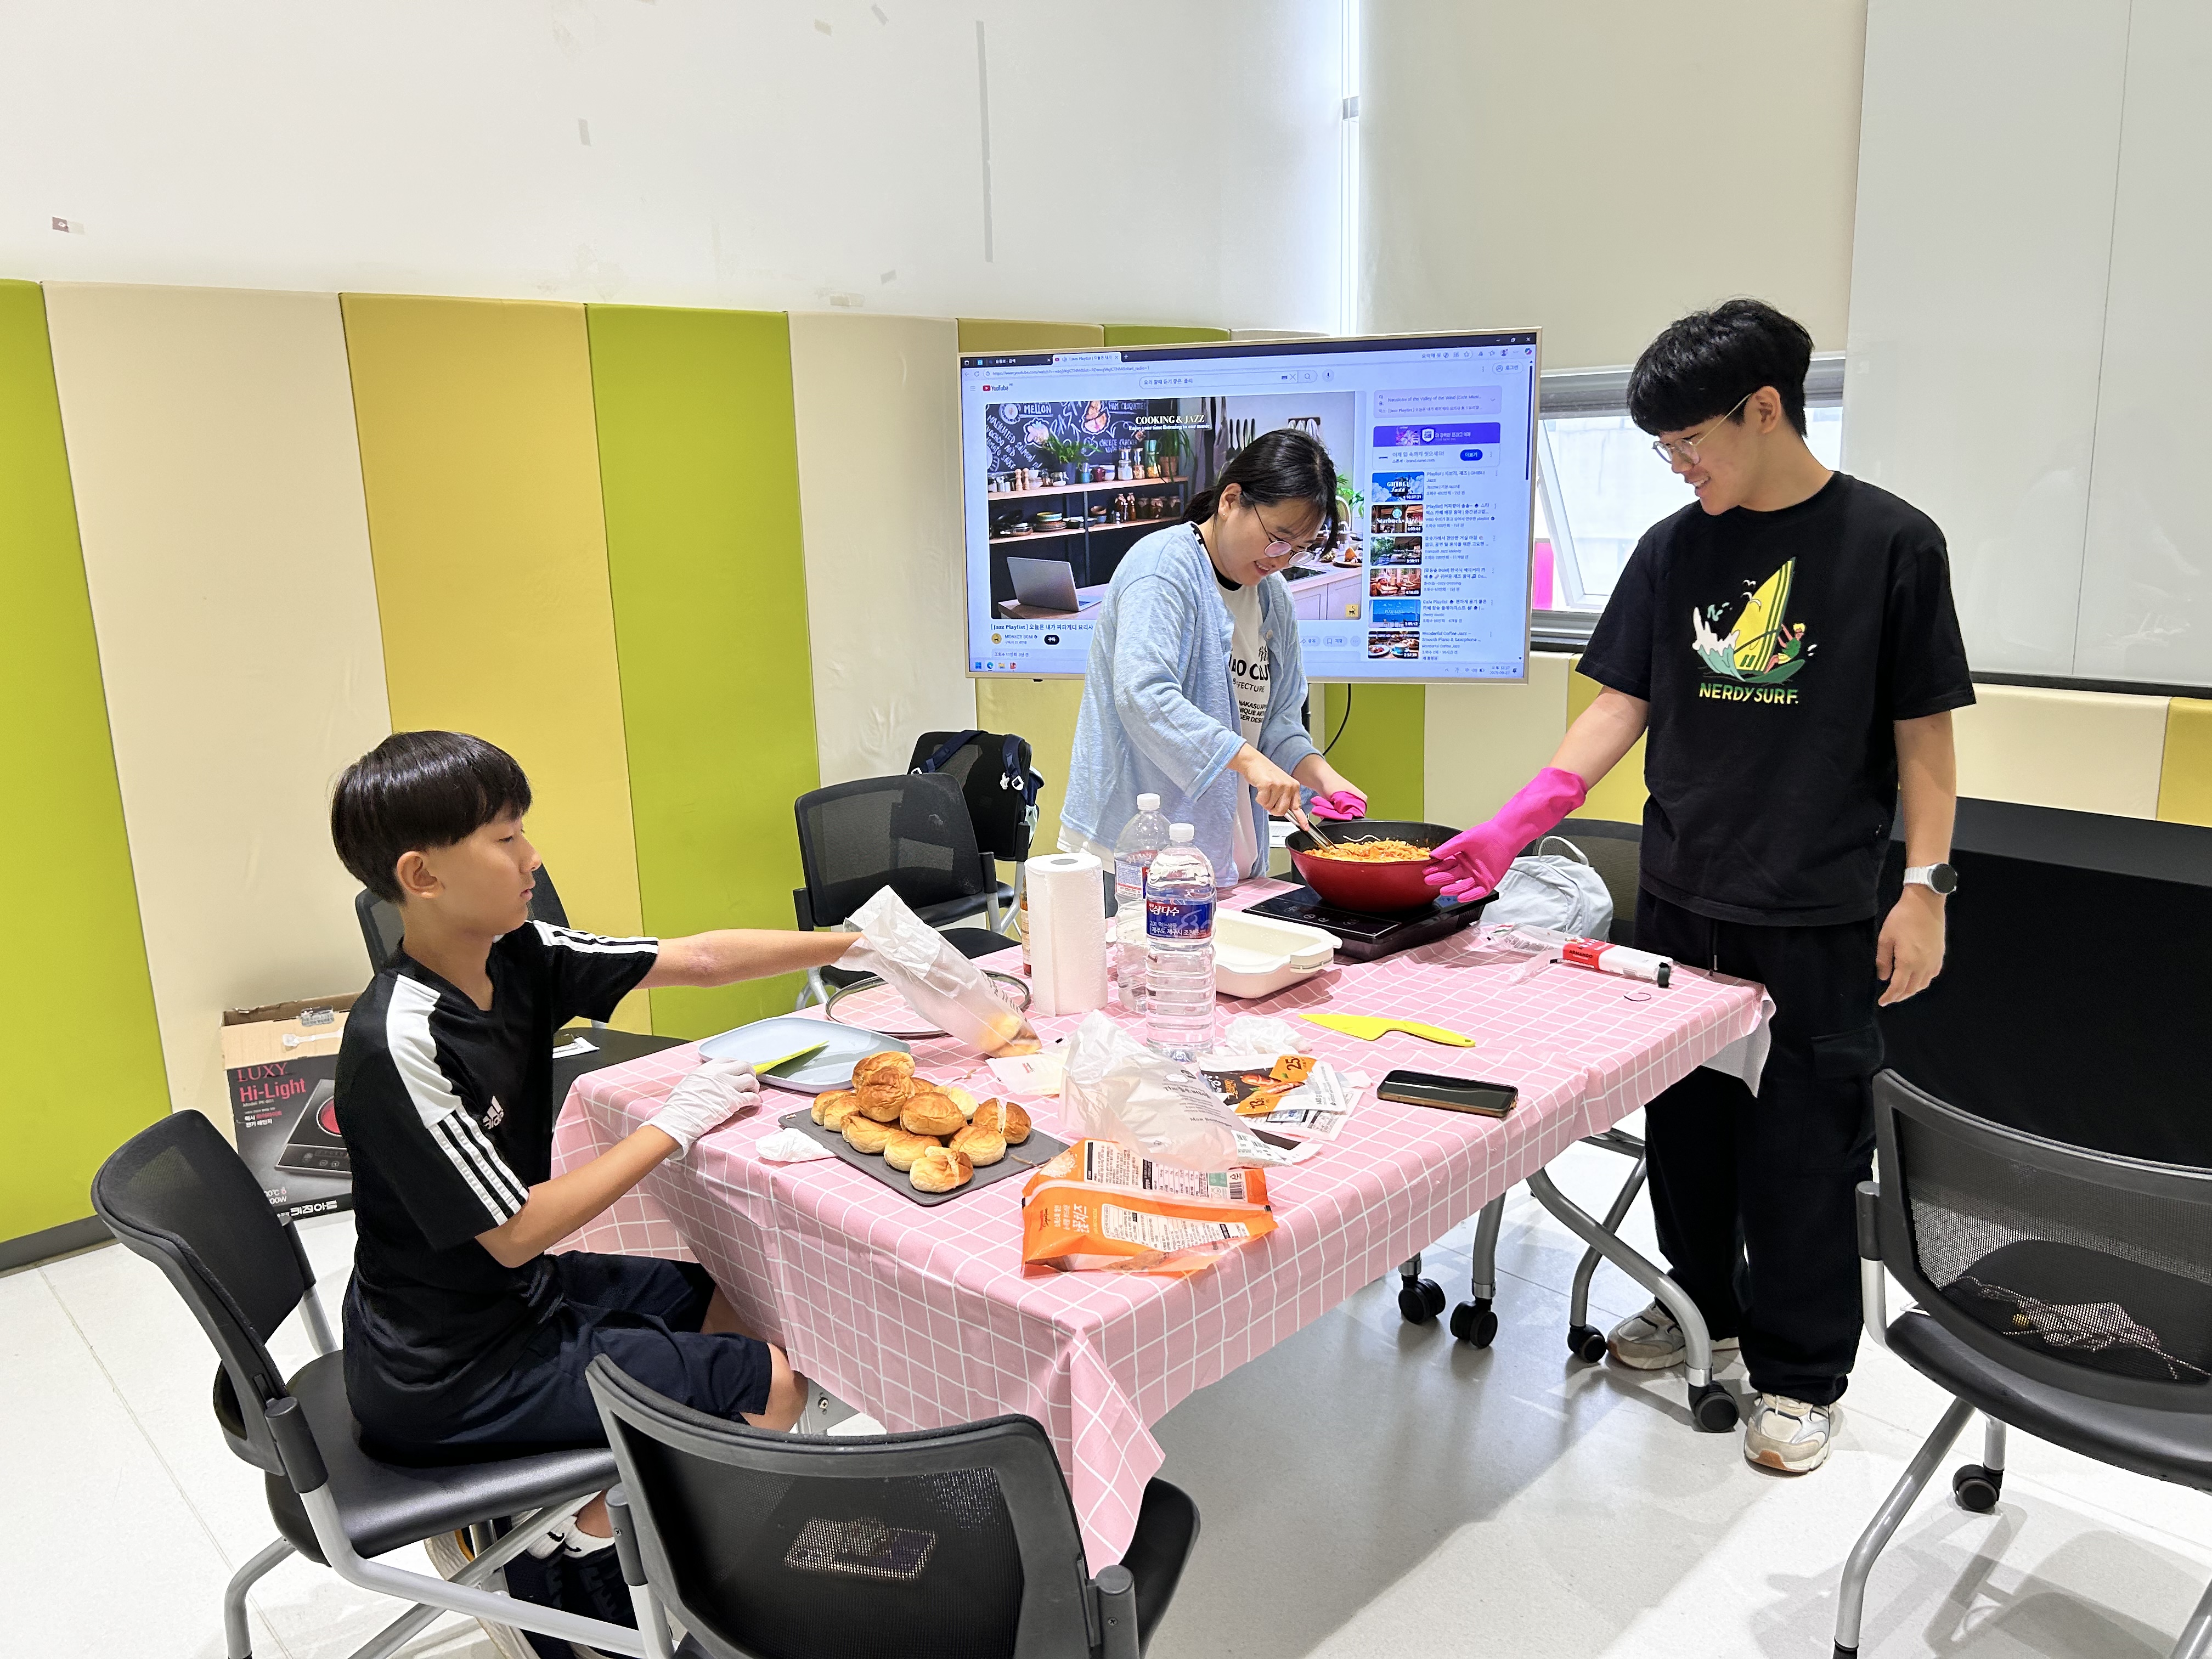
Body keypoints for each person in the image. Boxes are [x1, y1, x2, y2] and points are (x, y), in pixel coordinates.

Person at [1427, 299, 1972, 1474]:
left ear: (1763, 409)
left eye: (1688, 441)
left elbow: (1924, 739)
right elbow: (1620, 703)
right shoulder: (1673, 549)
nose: (1676, 465)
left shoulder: (1891, 543)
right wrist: (1517, 822)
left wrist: (1924, 887)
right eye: (1661, 448)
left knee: (1804, 1153)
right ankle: (1700, 1313)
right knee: (1685, 1133)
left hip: (1817, 911)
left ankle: (1800, 1372)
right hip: (1682, 901)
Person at [327, 730, 872, 1599]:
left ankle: (629, 1510)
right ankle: (578, 1551)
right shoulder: (401, 1042)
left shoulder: (517, 956)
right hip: (446, 1368)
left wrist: (852, 946)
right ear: (423, 876)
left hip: (516, 1298)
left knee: (748, 1293)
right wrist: (671, 1126)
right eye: (506, 838)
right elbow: (514, 1233)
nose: (533, 858)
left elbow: (696, 960)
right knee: (775, 1387)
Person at [1060, 427, 1367, 891]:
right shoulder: (1163, 568)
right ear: (1231, 500)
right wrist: (1249, 761)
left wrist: (1326, 780)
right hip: (1134, 855)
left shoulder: (1274, 597)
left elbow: (1279, 722)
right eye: (1278, 538)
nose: (1282, 559)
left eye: (1299, 549)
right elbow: (1144, 696)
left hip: (1225, 857)